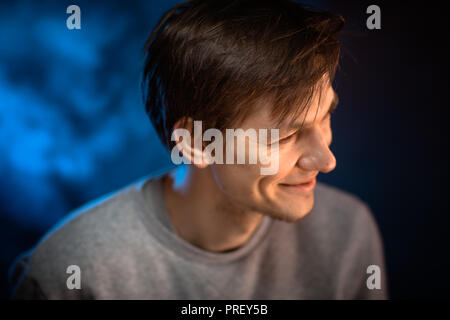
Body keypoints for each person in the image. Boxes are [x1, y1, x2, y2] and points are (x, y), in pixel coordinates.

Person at [9, 0, 388, 299]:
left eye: (326, 117)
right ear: (195, 143)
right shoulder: (70, 271)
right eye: (284, 136)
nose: (326, 159)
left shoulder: (348, 230)